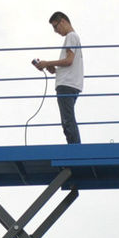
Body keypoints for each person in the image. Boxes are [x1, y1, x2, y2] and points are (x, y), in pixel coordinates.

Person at [33, 12, 84, 144]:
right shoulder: (74, 37)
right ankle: (75, 148)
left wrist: (47, 63)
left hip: (66, 85)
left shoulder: (71, 36)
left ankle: (75, 149)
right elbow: (69, 64)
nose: (55, 31)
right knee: (68, 119)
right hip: (71, 83)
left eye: (55, 27)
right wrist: (55, 70)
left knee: (67, 120)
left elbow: (69, 61)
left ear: (63, 22)